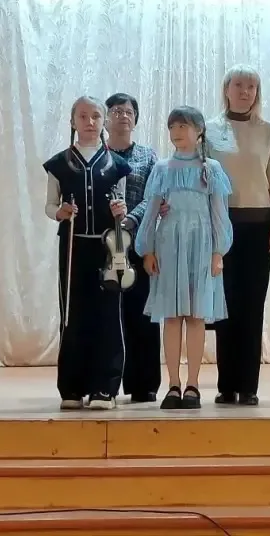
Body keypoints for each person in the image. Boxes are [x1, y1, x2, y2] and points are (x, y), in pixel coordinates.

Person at [135, 106, 234, 409]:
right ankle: (173, 384)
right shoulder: (162, 168)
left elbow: (219, 214)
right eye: (173, 127)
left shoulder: (211, 169)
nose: (177, 132)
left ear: (199, 130)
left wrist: (218, 251)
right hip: (169, 244)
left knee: (196, 315)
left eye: (183, 126)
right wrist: (147, 248)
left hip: (201, 245)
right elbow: (151, 210)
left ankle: (193, 384)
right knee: (171, 316)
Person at [42, 97, 130, 410]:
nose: (89, 122)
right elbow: (49, 205)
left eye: (95, 116)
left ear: (104, 121)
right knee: (73, 314)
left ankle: (104, 388)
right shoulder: (58, 164)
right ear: (72, 121)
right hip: (73, 247)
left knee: (107, 314)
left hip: (107, 249)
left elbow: (122, 207)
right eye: (82, 116)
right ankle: (72, 387)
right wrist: (61, 212)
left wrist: (120, 211)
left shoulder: (117, 165)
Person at [205, 66, 270, 406]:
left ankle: (248, 386)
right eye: (238, 84)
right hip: (221, 225)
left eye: (251, 86)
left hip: (258, 226)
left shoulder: (268, 131)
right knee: (225, 304)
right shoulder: (209, 129)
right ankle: (226, 385)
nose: (245, 91)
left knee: (252, 305)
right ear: (226, 89)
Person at [104, 92, 161, 403]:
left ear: (135, 119)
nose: (122, 116)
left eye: (128, 111)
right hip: (103, 243)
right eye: (116, 111)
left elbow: (154, 197)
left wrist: (130, 220)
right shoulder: (96, 154)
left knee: (142, 314)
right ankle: (105, 382)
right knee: (106, 314)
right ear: (106, 118)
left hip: (139, 243)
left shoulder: (148, 156)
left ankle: (144, 383)